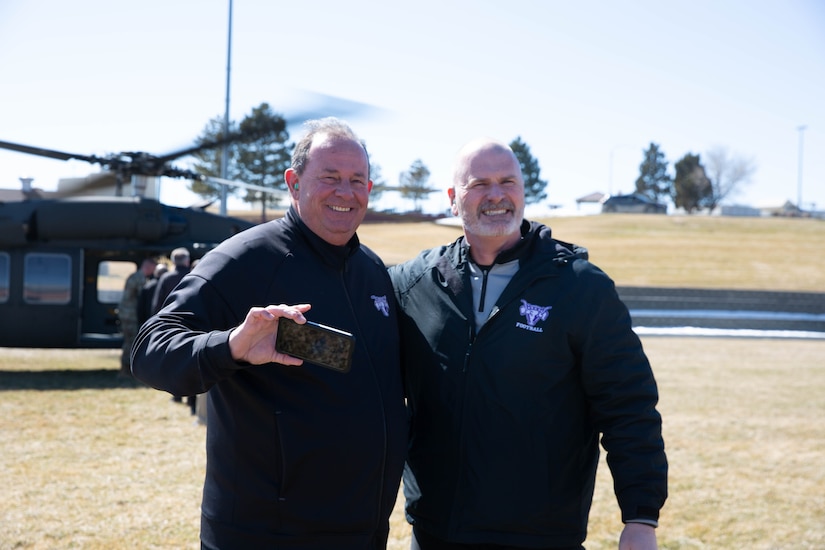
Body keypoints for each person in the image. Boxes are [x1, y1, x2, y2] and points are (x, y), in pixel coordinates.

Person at [131, 117, 407, 549]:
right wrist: (230, 347)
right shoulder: (247, 258)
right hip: (267, 535)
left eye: (357, 180)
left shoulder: (372, 271)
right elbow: (151, 349)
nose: (345, 191)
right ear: (294, 183)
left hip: (362, 533)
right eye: (329, 178)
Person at [389, 139, 668, 550]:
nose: (497, 195)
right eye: (479, 184)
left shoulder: (580, 288)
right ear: (453, 199)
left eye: (508, 182)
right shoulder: (414, 284)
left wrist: (641, 518)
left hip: (542, 536)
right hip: (435, 533)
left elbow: (628, 405)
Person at [117, 257, 156, 377]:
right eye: (153, 269)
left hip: (125, 313)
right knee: (132, 342)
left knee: (128, 341)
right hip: (131, 315)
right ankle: (128, 369)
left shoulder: (133, 276)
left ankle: (126, 369)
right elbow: (144, 295)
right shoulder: (141, 279)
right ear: (148, 267)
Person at [151, 247, 191, 315]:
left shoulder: (166, 278)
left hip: (168, 317)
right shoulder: (191, 277)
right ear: (187, 261)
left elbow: (158, 303)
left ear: (173, 262)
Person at [137, 262, 168, 326]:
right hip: (165, 320)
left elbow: (141, 306)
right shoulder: (171, 285)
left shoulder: (148, 286)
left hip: (149, 320)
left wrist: (141, 321)